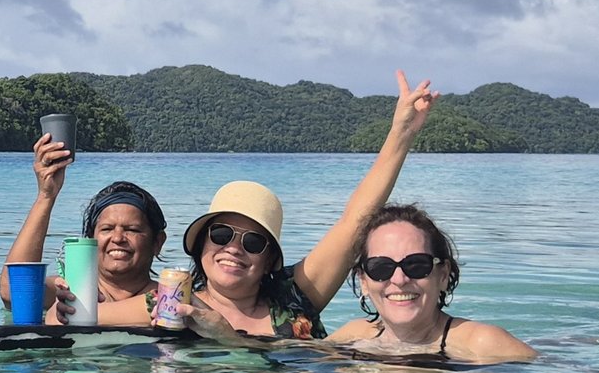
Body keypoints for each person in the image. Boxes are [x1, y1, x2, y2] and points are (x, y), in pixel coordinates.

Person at [183, 72, 438, 340]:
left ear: (270, 259)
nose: (233, 249)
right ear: (202, 243)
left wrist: (402, 132)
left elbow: (355, 223)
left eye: (254, 242)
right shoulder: (173, 303)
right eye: (221, 235)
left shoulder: (292, 300)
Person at [327, 203, 535, 363]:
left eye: (417, 265)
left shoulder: (482, 344)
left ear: (443, 275)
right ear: (363, 280)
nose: (399, 280)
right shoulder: (353, 336)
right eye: (381, 267)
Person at [0, 134, 166, 323]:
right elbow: (13, 292)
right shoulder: (70, 292)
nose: (118, 238)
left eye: (133, 229)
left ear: (158, 242)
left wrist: (72, 314)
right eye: (107, 229)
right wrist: (46, 196)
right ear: (90, 241)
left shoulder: (173, 299)